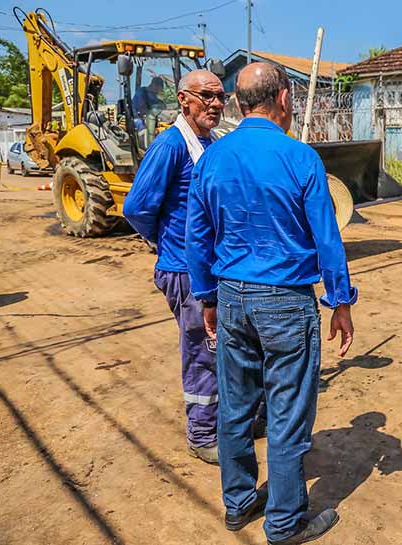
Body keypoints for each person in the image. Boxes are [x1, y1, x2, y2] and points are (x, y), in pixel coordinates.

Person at [186, 62, 354, 544]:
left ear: (238, 104)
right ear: (284, 98)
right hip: (285, 301)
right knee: (287, 412)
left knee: (235, 407)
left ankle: (238, 503)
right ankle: (284, 523)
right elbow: (328, 239)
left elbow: (198, 237)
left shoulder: (212, 160)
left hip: (232, 297)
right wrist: (339, 301)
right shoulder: (300, 158)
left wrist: (207, 298)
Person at [122, 69, 228, 465]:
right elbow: (135, 208)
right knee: (202, 350)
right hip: (185, 270)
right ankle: (202, 434)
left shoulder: (208, 142)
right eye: (207, 96)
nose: (216, 104)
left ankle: (234, 419)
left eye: (221, 97)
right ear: (184, 99)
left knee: (223, 349)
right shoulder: (171, 145)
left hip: (207, 267)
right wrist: (165, 240)